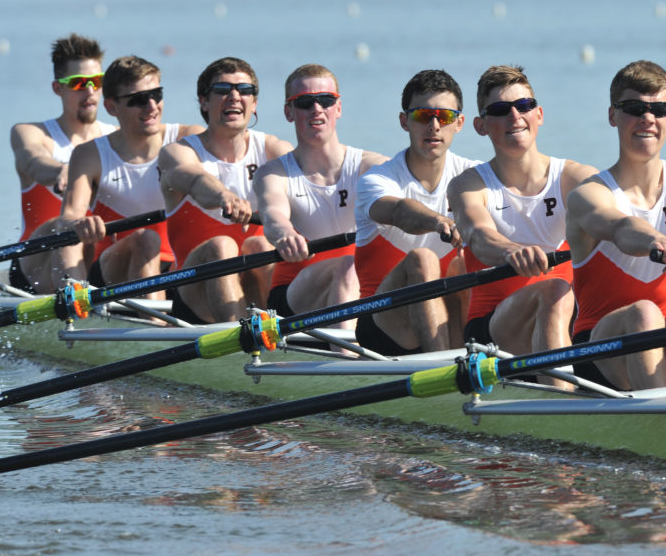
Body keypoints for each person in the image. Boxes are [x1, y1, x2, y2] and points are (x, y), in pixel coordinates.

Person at [565, 60, 666, 391]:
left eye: (659, 109)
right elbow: (621, 227)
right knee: (645, 313)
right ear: (613, 116)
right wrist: (657, 240)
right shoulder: (590, 195)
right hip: (602, 348)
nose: (647, 118)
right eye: (634, 108)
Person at [449, 65, 595, 387]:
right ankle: (562, 407)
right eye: (500, 110)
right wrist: (512, 250)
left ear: (539, 114)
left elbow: (614, 214)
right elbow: (478, 235)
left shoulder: (574, 177)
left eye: (524, 106)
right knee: (556, 289)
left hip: (569, 318)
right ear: (481, 125)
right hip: (494, 333)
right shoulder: (469, 184)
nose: (515, 116)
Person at [52, 55, 203, 295]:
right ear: (111, 107)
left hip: (178, 267)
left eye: (157, 95)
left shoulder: (190, 139)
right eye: (139, 99)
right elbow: (68, 217)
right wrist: (80, 223)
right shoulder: (90, 155)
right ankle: (154, 326)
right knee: (147, 240)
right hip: (115, 270)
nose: (152, 106)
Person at [159, 57, 292, 324]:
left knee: (259, 245)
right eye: (222, 90)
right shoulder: (178, 152)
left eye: (244, 90)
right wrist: (224, 196)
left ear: (254, 103)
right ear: (204, 101)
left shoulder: (275, 150)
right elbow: (195, 180)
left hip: (257, 280)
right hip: (194, 290)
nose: (234, 96)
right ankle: (241, 340)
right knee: (223, 246)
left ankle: (279, 334)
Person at [352, 69, 476, 355]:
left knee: (464, 265)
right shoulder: (378, 180)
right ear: (404, 121)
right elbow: (398, 212)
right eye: (422, 115)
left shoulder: (474, 177)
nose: (434, 125)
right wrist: (438, 220)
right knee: (423, 258)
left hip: (450, 318)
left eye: (444, 117)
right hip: (384, 325)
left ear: (459, 123)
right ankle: (442, 370)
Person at [255, 64, 386, 326]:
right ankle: (348, 362)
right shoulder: (274, 173)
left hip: (360, 287)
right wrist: (285, 234)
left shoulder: (372, 167)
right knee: (347, 266)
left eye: (325, 100)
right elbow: (273, 217)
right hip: (296, 293)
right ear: (288, 112)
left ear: (338, 108)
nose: (316, 108)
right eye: (304, 102)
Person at [9, 33, 116, 292]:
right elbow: (33, 161)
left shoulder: (115, 137)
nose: (90, 91)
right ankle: (78, 307)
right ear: (59, 88)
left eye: (96, 81)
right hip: (35, 264)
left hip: (97, 257)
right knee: (67, 225)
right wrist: (63, 171)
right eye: (79, 83)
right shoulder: (32, 133)